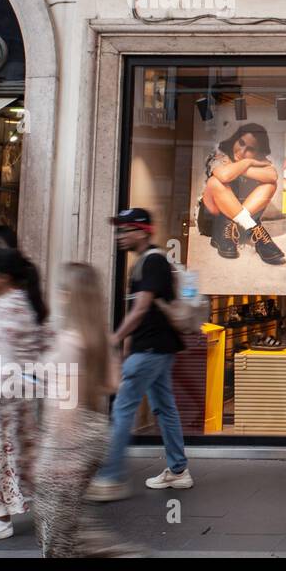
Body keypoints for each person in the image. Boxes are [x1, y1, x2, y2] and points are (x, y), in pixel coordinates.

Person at [87, 209, 193, 501]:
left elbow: (142, 308)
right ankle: (178, 469)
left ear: (142, 231)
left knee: (122, 410)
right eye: (119, 230)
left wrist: (116, 338)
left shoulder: (153, 261)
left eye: (125, 230)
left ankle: (110, 478)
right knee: (165, 407)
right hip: (155, 348)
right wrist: (124, 348)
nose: (120, 236)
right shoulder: (147, 262)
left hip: (150, 349)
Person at [35, 263, 137, 557]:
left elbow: (66, 407)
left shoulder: (69, 342)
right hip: (94, 430)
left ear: (67, 295)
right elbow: (112, 383)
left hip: (68, 439)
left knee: (54, 530)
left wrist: (56, 453)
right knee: (69, 522)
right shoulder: (99, 337)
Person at [0, 247, 50, 544]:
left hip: (4, 398)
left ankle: (1, 519)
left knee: (3, 457)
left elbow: (2, 361)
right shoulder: (13, 302)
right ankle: (6, 514)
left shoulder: (9, 309)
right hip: (12, 396)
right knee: (9, 457)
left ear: (5, 277)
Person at [195, 122, 286, 265]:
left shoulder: (260, 161)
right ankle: (255, 230)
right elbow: (224, 176)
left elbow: (273, 176)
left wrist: (239, 167)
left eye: (250, 149)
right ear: (235, 138)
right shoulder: (218, 155)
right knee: (215, 182)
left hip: (237, 226)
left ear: (258, 152)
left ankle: (230, 225)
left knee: (270, 184)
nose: (242, 151)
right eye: (241, 143)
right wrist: (248, 162)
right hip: (212, 220)